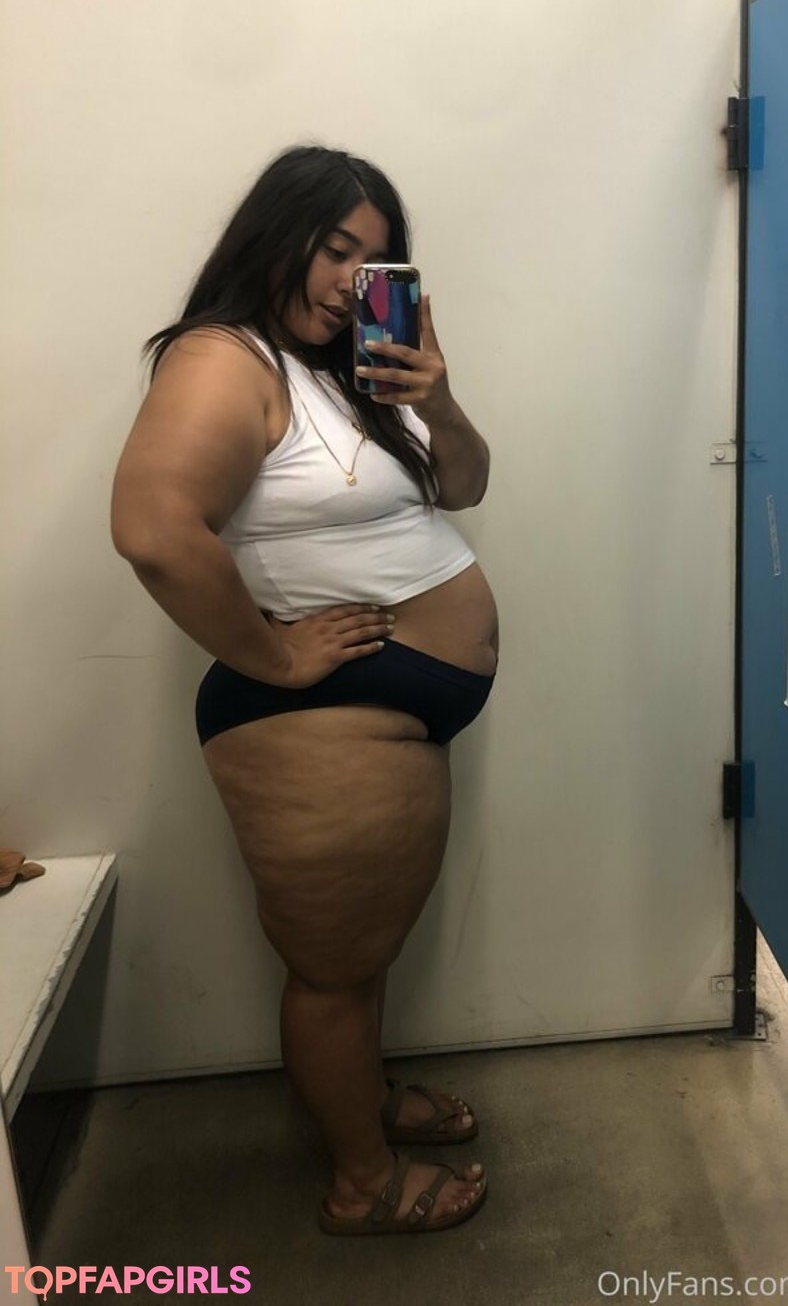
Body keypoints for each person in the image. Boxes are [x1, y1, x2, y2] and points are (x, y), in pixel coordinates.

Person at [111, 145, 497, 1235]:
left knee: (362, 953)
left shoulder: (349, 368)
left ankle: (361, 1103)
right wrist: (276, 657)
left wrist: (440, 401)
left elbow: (465, 485)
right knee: (333, 972)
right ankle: (362, 1182)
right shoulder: (223, 359)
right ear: (274, 234)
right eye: (333, 250)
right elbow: (152, 531)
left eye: (370, 262)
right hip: (316, 722)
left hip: (384, 715)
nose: (346, 282)